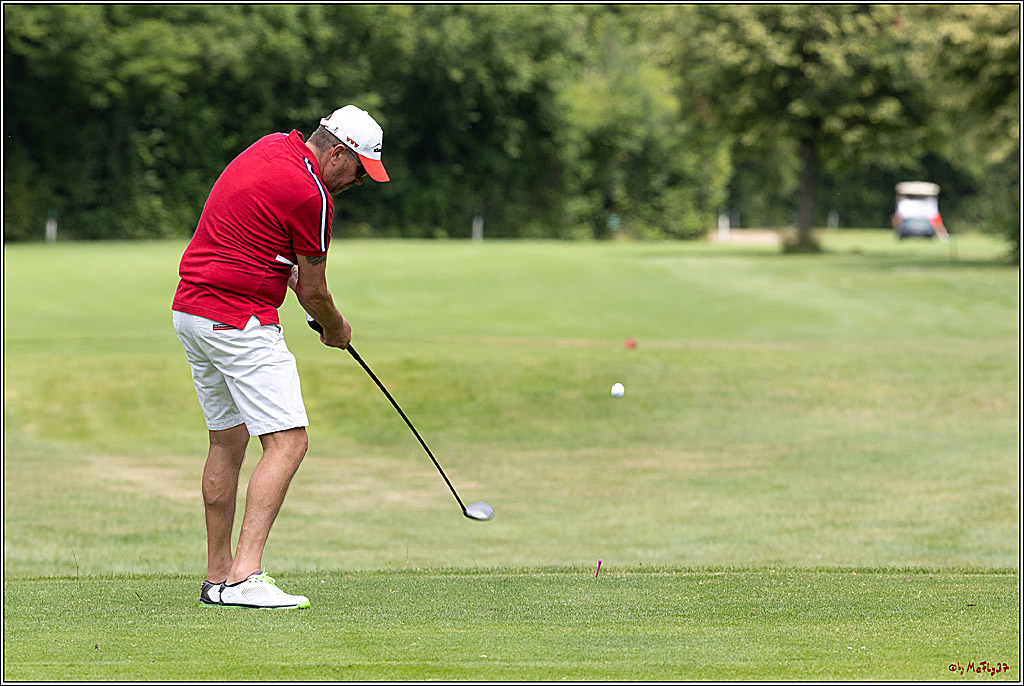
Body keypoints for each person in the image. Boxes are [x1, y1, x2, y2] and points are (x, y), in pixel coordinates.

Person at [171, 105, 389, 609]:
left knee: (227, 441)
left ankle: (218, 577)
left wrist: (301, 293)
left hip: (191, 312)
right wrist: (337, 329)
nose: (354, 184)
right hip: (238, 320)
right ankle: (245, 577)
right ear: (337, 154)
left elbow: (265, 248)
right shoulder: (313, 195)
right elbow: (313, 293)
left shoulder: (270, 148)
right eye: (358, 172)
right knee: (288, 441)